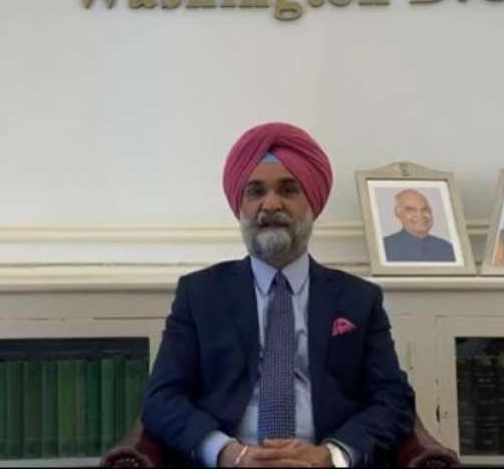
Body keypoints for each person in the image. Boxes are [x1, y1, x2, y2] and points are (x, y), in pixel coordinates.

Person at [141, 122, 415, 467]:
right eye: (255, 191)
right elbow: (162, 397)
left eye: (288, 189)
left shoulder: (359, 299)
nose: (270, 204)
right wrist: (228, 454)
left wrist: (331, 455)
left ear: (312, 203)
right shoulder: (200, 294)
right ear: (240, 207)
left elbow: (393, 399)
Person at [381, 189, 455, 262]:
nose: (420, 215)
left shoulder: (447, 248)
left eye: (425, 210)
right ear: (398, 214)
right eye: (411, 210)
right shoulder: (385, 247)